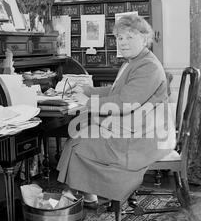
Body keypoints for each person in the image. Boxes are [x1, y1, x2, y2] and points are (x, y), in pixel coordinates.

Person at [57, 14, 176, 207]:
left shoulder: (147, 66)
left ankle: (74, 195)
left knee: (80, 143)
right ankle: (84, 194)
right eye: (120, 38)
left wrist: (88, 103)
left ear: (144, 39)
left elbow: (125, 102)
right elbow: (115, 91)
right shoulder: (134, 62)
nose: (123, 42)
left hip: (147, 137)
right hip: (138, 128)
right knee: (80, 138)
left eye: (130, 37)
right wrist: (87, 90)